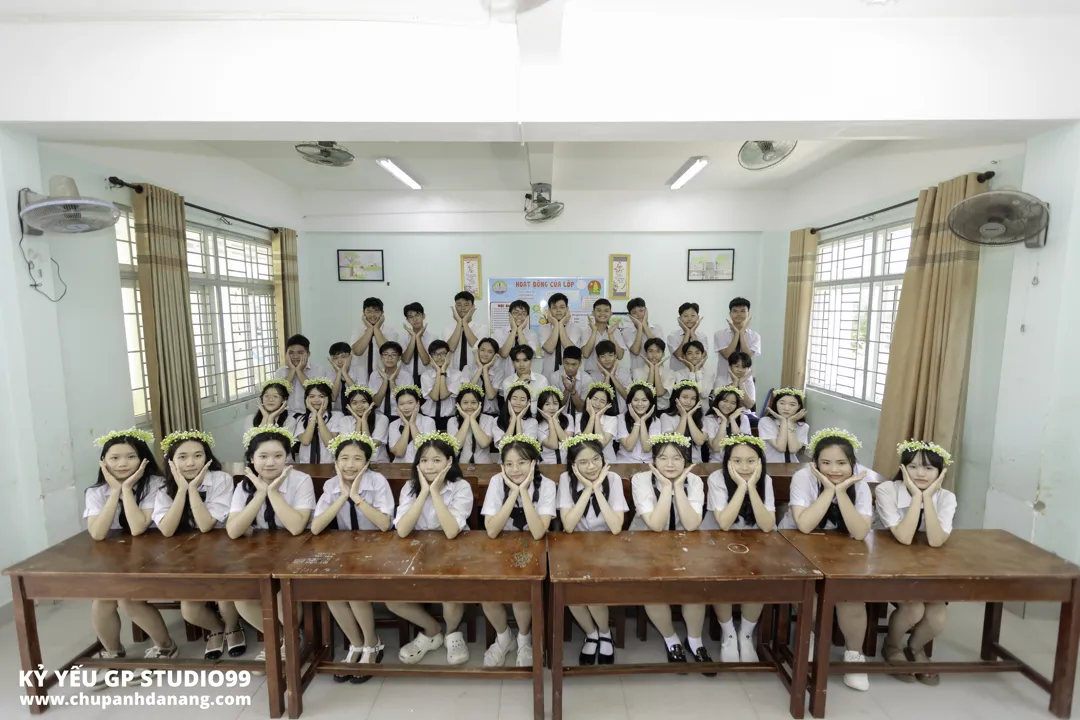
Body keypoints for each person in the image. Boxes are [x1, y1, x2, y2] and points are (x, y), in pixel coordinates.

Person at [779, 428, 875, 692]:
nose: (834, 469)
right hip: (795, 545)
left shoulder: (860, 483)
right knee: (810, 596)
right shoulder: (803, 478)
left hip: (843, 549)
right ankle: (808, 640)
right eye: (826, 463)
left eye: (842, 463)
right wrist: (828, 490)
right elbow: (805, 526)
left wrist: (841, 492)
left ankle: (854, 655)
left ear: (852, 463)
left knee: (851, 598)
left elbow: (860, 532)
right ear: (815, 464)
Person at [84, 429, 177, 673]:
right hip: (119, 557)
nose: (122, 463)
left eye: (130, 457)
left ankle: (166, 646)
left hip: (158, 553)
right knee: (102, 599)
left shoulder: (156, 484)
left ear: (143, 459)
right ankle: (114, 653)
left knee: (128, 599)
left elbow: (138, 528)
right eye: (114, 458)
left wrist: (126, 489)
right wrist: (114, 491)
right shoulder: (96, 492)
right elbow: (98, 533)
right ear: (103, 462)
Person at [153, 430, 245, 660]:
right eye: (182, 457)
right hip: (185, 554)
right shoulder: (163, 486)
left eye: (198, 455)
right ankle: (215, 628)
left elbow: (205, 525)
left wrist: (192, 489)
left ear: (207, 457)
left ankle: (233, 627)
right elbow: (167, 529)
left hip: (223, 549)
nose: (191, 463)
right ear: (171, 461)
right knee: (189, 609)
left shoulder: (221, 479)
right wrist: (181, 489)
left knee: (224, 599)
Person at [227, 426, 316, 665]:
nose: (270, 463)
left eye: (278, 456)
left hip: (297, 549)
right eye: (263, 456)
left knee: (281, 594)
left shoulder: (301, 480)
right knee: (242, 599)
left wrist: (272, 492)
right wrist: (259, 493)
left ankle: (291, 639)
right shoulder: (244, 485)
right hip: (259, 552)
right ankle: (278, 639)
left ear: (287, 458)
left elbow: (296, 527)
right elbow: (233, 531)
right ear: (251, 459)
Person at [310, 433, 394, 683]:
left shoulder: (378, 482)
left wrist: (356, 497)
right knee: (331, 592)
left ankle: (372, 643)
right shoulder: (331, 485)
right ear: (335, 462)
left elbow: (384, 524)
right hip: (346, 549)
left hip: (378, 549)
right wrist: (342, 495)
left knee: (354, 589)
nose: (350, 465)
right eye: (344, 458)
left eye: (357, 459)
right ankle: (355, 644)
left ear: (367, 463)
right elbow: (316, 527)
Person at [389, 432, 474, 666]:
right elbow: (403, 530)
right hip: (415, 551)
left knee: (449, 591)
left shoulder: (461, 486)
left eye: (437, 460)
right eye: (424, 460)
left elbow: (451, 531)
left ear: (449, 461)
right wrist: (424, 491)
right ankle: (431, 630)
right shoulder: (410, 486)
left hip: (453, 550)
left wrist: (435, 491)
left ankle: (452, 632)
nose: (429, 466)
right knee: (391, 598)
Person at [876, 440, 956, 686]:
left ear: (941, 472)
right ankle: (892, 646)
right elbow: (904, 536)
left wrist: (927, 498)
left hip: (927, 564)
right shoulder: (887, 490)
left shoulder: (946, 497)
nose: (920, 473)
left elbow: (936, 540)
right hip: (887, 560)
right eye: (912, 467)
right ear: (903, 468)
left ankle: (915, 648)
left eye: (929, 468)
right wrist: (917, 497)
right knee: (913, 608)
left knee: (938, 615)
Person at [629, 434, 707, 667]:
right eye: (663, 458)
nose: (670, 464)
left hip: (684, 543)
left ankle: (695, 641)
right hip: (644, 543)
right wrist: (666, 487)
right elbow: (655, 525)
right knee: (651, 588)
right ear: (653, 460)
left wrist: (678, 486)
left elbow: (691, 525)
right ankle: (671, 639)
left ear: (686, 461)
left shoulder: (694, 481)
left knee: (696, 586)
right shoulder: (641, 479)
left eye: (677, 458)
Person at [481, 435, 556, 667]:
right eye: (509, 464)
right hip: (500, 546)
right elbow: (492, 530)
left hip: (533, 547)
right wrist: (513, 492)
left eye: (522, 463)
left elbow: (538, 532)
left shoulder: (546, 485)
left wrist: (523, 491)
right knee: (487, 594)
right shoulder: (497, 482)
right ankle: (504, 637)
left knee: (522, 593)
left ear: (533, 462)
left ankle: (524, 638)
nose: (515, 469)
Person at [701, 435, 776, 664]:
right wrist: (742, 487)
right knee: (721, 576)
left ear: (760, 462)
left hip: (754, 540)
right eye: (737, 461)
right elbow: (724, 523)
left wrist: (751, 487)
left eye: (751, 461)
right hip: (717, 539)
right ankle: (728, 633)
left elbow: (767, 525)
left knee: (760, 576)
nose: (744, 467)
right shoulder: (717, 478)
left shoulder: (765, 480)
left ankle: (746, 634)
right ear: (727, 461)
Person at [557, 434, 628, 665]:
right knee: (570, 588)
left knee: (592, 589)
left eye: (596, 459)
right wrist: (587, 489)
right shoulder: (566, 480)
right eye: (583, 462)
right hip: (575, 546)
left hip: (608, 546)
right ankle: (591, 633)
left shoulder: (613, 479)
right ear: (573, 465)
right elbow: (568, 526)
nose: (591, 467)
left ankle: (605, 632)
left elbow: (616, 527)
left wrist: (598, 489)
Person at [328, 385, 391, 462]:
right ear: (349, 406)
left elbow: (370, 447)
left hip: (378, 463)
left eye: (363, 402)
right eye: (354, 403)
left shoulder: (382, 419)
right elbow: (353, 448)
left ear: (370, 403)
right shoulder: (345, 421)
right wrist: (359, 422)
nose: (359, 406)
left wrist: (364, 420)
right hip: (354, 463)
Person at [286, 378, 342, 463]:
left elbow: (330, 443)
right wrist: (314, 415)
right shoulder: (301, 419)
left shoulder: (337, 416)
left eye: (321, 396)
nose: (316, 400)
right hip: (306, 465)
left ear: (328, 398)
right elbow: (305, 441)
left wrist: (319, 416)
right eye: (312, 396)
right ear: (306, 399)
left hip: (329, 465)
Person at [447, 383, 502, 464]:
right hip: (461, 466)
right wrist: (466, 419)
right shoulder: (452, 421)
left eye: (473, 402)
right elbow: (456, 446)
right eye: (465, 402)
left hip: (485, 466)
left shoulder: (488, 419)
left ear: (480, 403)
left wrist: (472, 419)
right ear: (458, 404)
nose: (469, 406)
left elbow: (484, 443)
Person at [449, 337, 503, 416]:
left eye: (490, 352)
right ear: (477, 352)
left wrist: (485, 370)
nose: (485, 354)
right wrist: (480, 368)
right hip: (470, 412)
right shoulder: (467, 369)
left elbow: (491, 396)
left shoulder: (499, 372)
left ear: (495, 355)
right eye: (482, 350)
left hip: (490, 414)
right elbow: (467, 392)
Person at [275, 334, 327, 415]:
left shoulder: (318, 369)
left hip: (310, 414)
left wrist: (299, 371)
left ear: (308, 353)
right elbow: (279, 394)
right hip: (286, 414)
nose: (295, 356)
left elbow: (314, 393)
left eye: (300, 353)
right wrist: (292, 370)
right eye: (291, 353)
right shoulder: (280, 371)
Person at [660, 380, 709, 463]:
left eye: (693, 399)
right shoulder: (666, 416)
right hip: (674, 462)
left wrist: (689, 416)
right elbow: (675, 441)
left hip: (696, 463)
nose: (689, 402)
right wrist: (683, 417)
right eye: (685, 397)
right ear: (676, 398)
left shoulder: (701, 417)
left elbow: (700, 441)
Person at [352, 297, 400, 380]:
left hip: (383, 378)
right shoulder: (358, 331)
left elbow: (388, 352)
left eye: (376, 311)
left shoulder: (391, 331)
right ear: (363, 313)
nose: (373, 315)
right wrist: (370, 329)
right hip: (360, 378)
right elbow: (357, 352)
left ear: (382, 313)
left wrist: (376, 329)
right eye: (369, 311)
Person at [713, 297, 761, 381]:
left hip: (746, 380)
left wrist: (741, 334)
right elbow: (727, 355)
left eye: (742, 311)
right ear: (730, 313)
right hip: (724, 378)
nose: (738, 314)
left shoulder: (754, 336)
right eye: (735, 311)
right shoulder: (719, 334)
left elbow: (747, 356)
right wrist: (736, 334)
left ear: (748, 313)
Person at [616, 381, 663, 463]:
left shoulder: (656, 421)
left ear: (650, 402)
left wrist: (643, 421)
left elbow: (646, 448)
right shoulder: (621, 418)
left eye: (644, 400)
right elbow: (629, 447)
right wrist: (637, 422)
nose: (640, 404)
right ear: (630, 402)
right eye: (635, 400)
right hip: (625, 462)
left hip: (648, 462)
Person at [758, 388, 809, 463]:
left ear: (798, 407)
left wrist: (790, 422)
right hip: (769, 464)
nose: (786, 408)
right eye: (782, 403)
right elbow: (780, 447)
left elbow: (793, 449)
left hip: (792, 465)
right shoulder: (766, 421)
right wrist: (783, 421)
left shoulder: (803, 426)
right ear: (776, 404)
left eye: (792, 404)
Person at [387, 385, 436, 463]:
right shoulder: (393, 425)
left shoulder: (428, 422)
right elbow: (399, 453)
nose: (406, 407)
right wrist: (407, 425)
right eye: (401, 404)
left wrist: (412, 423)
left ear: (417, 403)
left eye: (410, 403)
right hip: (399, 467)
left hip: (422, 466)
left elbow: (424, 451)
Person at [577, 382, 622, 462]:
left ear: (607, 404)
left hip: (607, 461)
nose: (597, 404)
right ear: (588, 399)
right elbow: (584, 443)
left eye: (602, 401)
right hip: (584, 461)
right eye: (595, 399)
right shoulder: (579, 417)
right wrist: (592, 417)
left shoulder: (612, 419)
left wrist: (597, 417)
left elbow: (601, 444)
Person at [495, 300, 540, 378]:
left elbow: (527, 354)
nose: (519, 316)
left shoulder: (531, 334)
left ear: (527, 317)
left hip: (526, 378)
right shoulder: (499, 332)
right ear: (509, 315)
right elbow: (504, 354)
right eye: (516, 313)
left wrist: (520, 331)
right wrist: (514, 330)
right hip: (504, 379)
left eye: (523, 313)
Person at [445, 291, 488, 372]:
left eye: (466, 305)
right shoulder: (448, 329)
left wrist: (464, 322)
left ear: (473, 307)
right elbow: (451, 348)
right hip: (454, 375)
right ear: (455, 307)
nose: (462, 308)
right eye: (459, 305)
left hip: (476, 373)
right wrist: (459, 323)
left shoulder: (482, 328)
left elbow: (476, 347)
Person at [579, 298, 626, 373]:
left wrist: (610, 335)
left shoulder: (616, 332)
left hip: (611, 373)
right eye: (599, 310)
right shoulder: (586, 331)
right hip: (591, 374)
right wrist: (594, 331)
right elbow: (586, 354)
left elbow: (620, 356)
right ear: (593, 313)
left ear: (610, 313)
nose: (602, 313)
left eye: (606, 311)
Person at [419, 339, 456, 432]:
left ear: (448, 355)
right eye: (435, 354)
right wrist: (438, 371)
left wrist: (442, 371)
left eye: (443, 354)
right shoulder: (425, 376)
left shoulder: (457, 375)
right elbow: (435, 397)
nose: (439, 357)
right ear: (430, 357)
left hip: (449, 418)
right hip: (428, 417)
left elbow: (443, 395)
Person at [539, 292, 577, 379]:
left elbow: (570, 351)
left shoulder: (575, 329)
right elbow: (549, 348)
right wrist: (556, 324)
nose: (558, 310)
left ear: (567, 309)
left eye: (562, 307)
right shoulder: (543, 329)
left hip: (569, 375)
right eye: (554, 307)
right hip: (548, 376)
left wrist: (561, 324)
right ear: (549, 311)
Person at [588, 340, 631, 415]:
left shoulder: (624, 373)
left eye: (610, 355)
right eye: (603, 356)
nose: (607, 359)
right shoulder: (593, 376)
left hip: (623, 415)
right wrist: (607, 377)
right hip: (601, 415)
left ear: (615, 356)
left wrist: (613, 377)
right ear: (598, 359)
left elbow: (628, 398)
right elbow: (599, 399)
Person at [621, 297, 665, 372]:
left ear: (646, 310)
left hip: (657, 371)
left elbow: (658, 347)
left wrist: (644, 325)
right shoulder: (627, 332)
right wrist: (640, 327)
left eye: (641, 310)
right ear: (630, 316)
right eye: (634, 313)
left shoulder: (657, 328)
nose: (639, 314)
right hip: (637, 372)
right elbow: (635, 351)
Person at [631, 338, 675, 411]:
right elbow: (646, 394)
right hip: (642, 410)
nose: (654, 355)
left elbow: (659, 393)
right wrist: (651, 369)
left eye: (658, 351)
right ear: (646, 353)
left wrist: (656, 369)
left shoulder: (670, 373)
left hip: (663, 411)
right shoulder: (637, 372)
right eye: (650, 351)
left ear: (663, 354)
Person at [704, 386, 751, 455]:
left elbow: (742, 446)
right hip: (717, 460)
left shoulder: (743, 418)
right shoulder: (709, 419)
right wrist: (723, 421)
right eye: (725, 401)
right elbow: (716, 448)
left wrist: (732, 420)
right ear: (717, 401)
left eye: (733, 403)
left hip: (738, 459)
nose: (728, 405)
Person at [401, 302, 437, 387]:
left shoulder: (433, 337)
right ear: (407, 320)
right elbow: (406, 360)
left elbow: (426, 361)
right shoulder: (403, 338)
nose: (415, 319)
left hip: (426, 379)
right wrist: (413, 337)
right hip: (407, 378)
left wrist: (418, 338)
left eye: (417, 315)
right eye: (411, 317)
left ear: (423, 316)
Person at [549, 345, 589, 420]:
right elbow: (556, 406)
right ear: (562, 361)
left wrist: (573, 392)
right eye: (567, 363)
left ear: (580, 363)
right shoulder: (555, 377)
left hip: (580, 417)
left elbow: (581, 408)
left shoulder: (587, 379)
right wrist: (566, 390)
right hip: (560, 416)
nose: (570, 368)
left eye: (574, 364)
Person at [535, 387, 574, 464]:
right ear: (540, 406)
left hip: (566, 464)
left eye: (555, 403)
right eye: (547, 404)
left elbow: (568, 443)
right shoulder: (537, 425)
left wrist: (555, 420)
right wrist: (550, 421)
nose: (552, 408)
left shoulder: (568, 418)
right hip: (546, 466)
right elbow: (553, 445)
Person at [370, 341, 406, 420]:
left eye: (394, 354)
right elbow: (376, 403)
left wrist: (392, 382)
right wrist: (385, 381)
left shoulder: (406, 376)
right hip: (379, 416)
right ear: (381, 357)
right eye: (386, 354)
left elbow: (405, 403)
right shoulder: (374, 375)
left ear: (399, 358)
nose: (389, 358)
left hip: (400, 416)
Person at [668, 302, 708, 371]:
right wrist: (687, 333)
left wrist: (692, 333)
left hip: (698, 374)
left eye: (693, 315)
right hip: (677, 375)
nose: (689, 319)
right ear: (680, 319)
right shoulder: (672, 336)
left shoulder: (702, 336)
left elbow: (701, 358)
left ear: (698, 317)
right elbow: (680, 356)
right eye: (685, 316)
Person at [328, 341, 365, 413]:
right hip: (337, 412)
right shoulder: (329, 373)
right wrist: (338, 374)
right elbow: (333, 398)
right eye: (335, 358)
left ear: (350, 357)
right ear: (332, 360)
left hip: (358, 411)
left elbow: (360, 395)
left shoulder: (360, 371)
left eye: (343, 357)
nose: (339, 361)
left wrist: (344, 373)